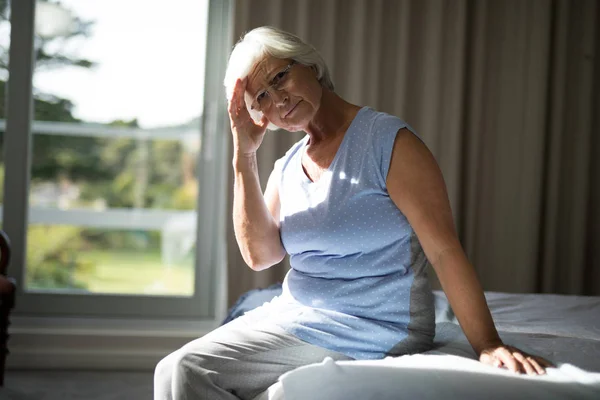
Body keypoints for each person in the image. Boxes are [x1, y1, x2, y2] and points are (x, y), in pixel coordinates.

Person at [154, 26, 552, 400]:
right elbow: (260, 256)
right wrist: (244, 154)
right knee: (170, 368)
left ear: (310, 65)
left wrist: (488, 344)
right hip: (298, 313)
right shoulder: (288, 166)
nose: (277, 100)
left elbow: (443, 251)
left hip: (376, 324)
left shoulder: (388, 142)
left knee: (189, 369)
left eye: (279, 78)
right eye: (260, 98)